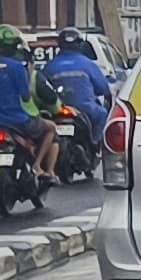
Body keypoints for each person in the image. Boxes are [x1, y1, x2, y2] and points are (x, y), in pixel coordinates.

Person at [0, 25, 50, 174]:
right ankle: (37, 165)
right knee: (51, 128)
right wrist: (29, 74)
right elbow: (26, 97)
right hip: (18, 121)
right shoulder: (17, 68)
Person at [42, 29, 113, 174]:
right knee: (103, 114)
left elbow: (42, 88)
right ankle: (96, 146)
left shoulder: (50, 66)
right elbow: (103, 88)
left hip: (56, 109)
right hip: (86, 109)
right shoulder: (87, 64)